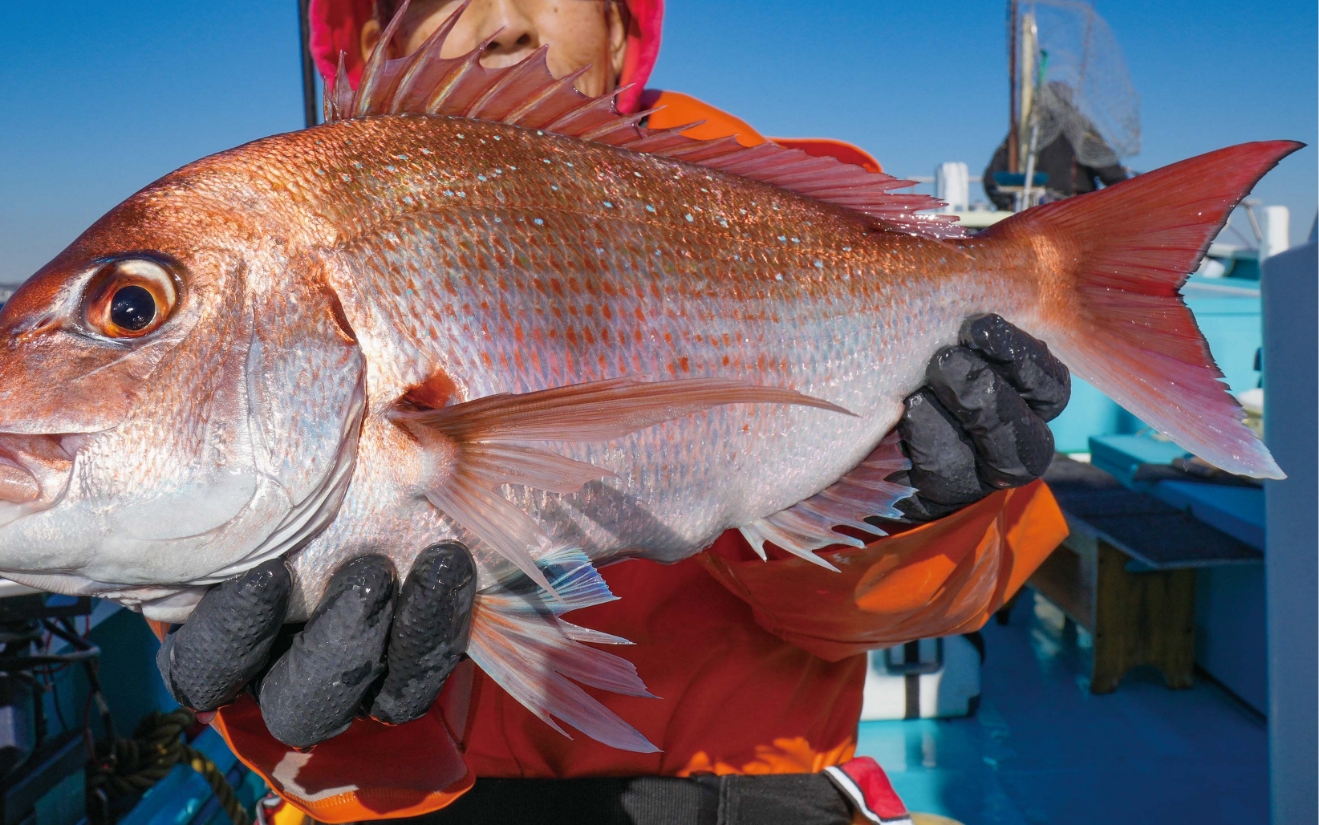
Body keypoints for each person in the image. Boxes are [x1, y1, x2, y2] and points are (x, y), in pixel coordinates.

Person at [157, 2, 1072, 823]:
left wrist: (906, 514)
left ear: (623, 30)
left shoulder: (778, 204)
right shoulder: (262, 251)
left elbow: (946, 599)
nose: (499, 21)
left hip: (750, 794)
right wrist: (321, 726)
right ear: (360, 41)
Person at [983, 80, 1129, 211]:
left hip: (1029, 214)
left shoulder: (1024, 132)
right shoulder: (1080, 129)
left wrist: (1008, 206)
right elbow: (1112, 174)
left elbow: (991, 179)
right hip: (1072, 211)